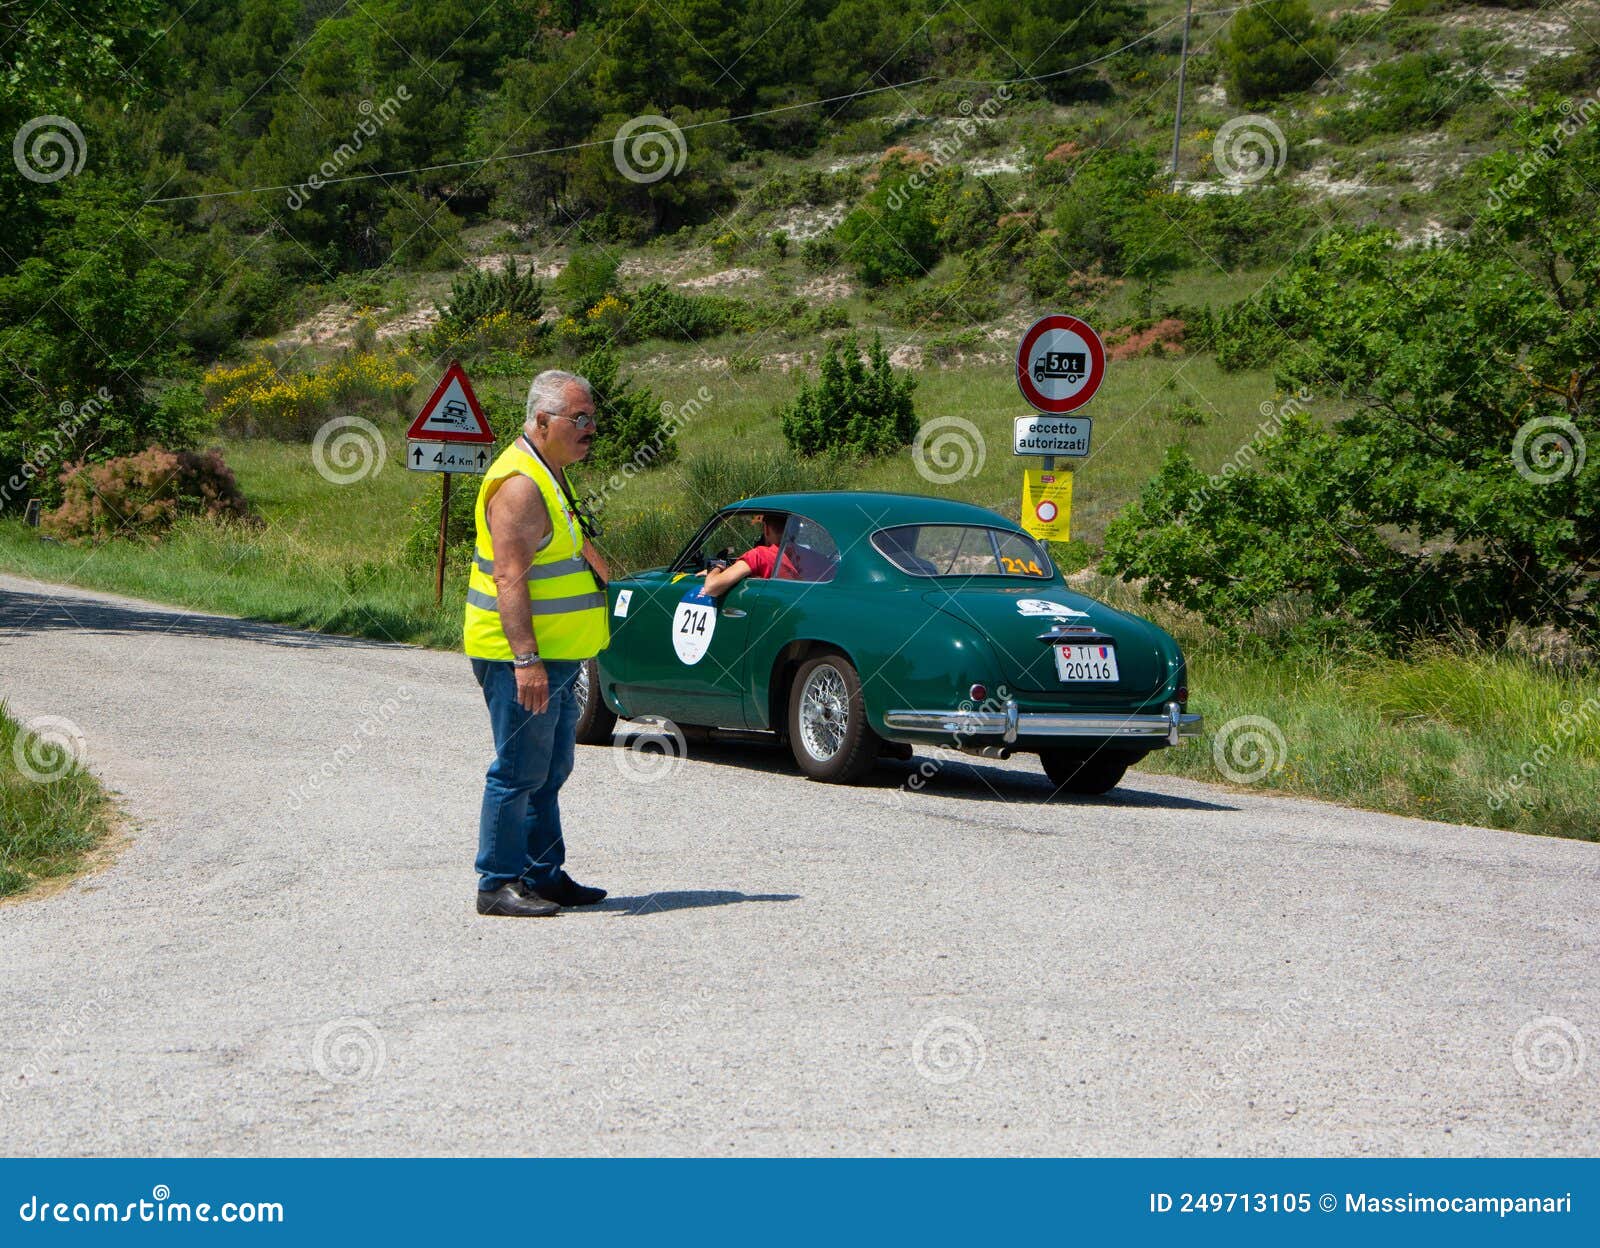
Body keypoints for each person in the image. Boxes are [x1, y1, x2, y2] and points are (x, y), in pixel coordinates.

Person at [463, 369, 612, 918]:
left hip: (557, 654)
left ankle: (542, 874)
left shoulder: (548, 471)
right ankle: (497, 883)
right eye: (580, 419)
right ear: (543, 421)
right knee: (519, 769)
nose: (590, 427)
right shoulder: (522, 483)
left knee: (550, 767)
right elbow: (510, 579)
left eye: (592, 416)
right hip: (520, 656)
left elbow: (570, 551)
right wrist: (526, 659)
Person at [700, 512, 793, 597]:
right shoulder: (805, 554)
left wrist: (717, 566)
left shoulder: (760, 555)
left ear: (766, 529)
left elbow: (711, 587)